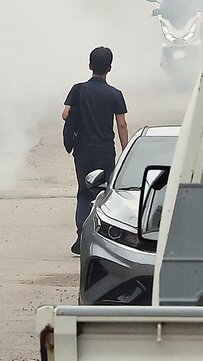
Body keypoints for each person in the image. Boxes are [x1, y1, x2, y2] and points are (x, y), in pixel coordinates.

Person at [62, 46, 128, 255]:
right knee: (106, 194)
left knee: (83, 192)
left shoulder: (78, 89)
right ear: (109, 68)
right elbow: (122, 125)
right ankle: (103, 239)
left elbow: (65, 114)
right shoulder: (115, 94)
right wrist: (126, 150)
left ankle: (81, 234)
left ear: (90, 66)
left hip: (83, 151)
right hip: (105, 152)